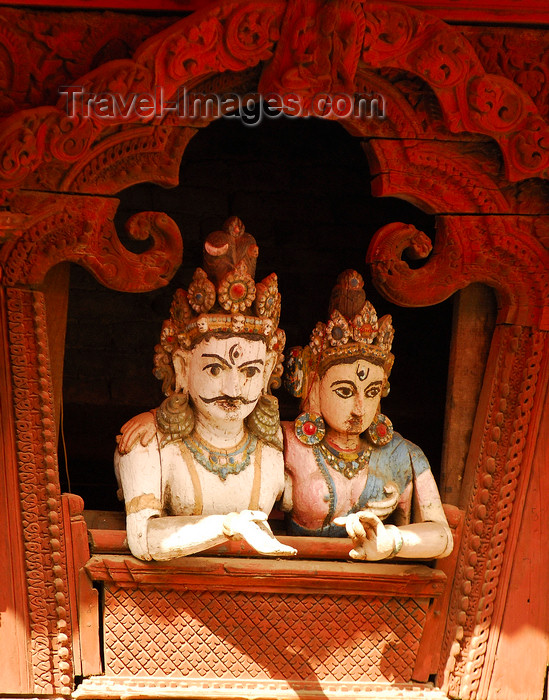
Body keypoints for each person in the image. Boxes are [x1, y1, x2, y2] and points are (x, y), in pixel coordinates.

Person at [115, 217, 296, 561]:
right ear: (182, 369)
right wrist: (228, 526)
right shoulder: (149, 444)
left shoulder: (276, 450)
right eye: (214, 368)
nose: (233, 387)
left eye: (250, 371)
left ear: (269, 371)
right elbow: (144, 538)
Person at [282, 269, 453, 560]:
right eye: (345, 392)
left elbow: (442, 537)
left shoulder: (403, 453)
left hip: (376, 583)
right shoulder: (286, 444)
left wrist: (391, 541)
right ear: (314, 387)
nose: (360, 408)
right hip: (296, 578)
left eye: (372, 391)